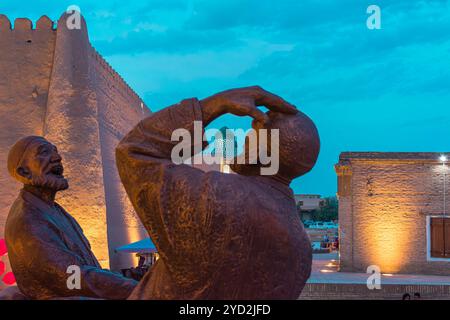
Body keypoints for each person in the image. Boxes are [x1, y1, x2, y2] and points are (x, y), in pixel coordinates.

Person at [116, 86, 320, 299]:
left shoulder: (217, 198)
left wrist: (215, 105)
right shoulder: (301, 251)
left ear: (260, 152)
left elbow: (135, 151)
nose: (245, 140)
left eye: (252, 134)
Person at [5, 136, 137, 300]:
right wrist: (138, 289)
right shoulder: (27, 220)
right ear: (24, 172)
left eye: (55, 151)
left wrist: (133, 276)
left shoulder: (54, 210)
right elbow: (71, 277)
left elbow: (87, 266)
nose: (57, 157)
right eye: (44, 152)